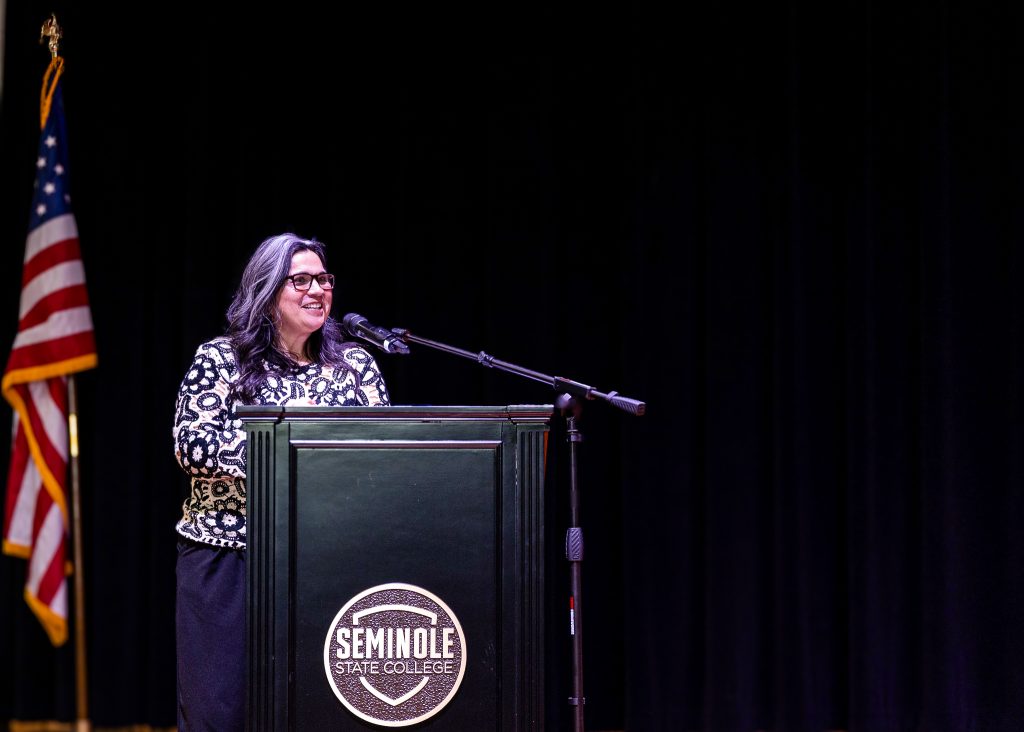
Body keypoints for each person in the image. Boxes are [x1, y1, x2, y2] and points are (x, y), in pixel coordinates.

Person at [171, 233, 391, 731]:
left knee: (318, 708)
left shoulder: (355, 366)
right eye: (302, 281)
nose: (318, 290)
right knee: (219, 712)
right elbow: (193, 444)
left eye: (324, 279)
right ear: (268, 292)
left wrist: (309, 453)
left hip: (325, 560)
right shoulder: (221, 359)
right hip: (228, 556)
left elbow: (377, 453)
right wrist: (293, 450)